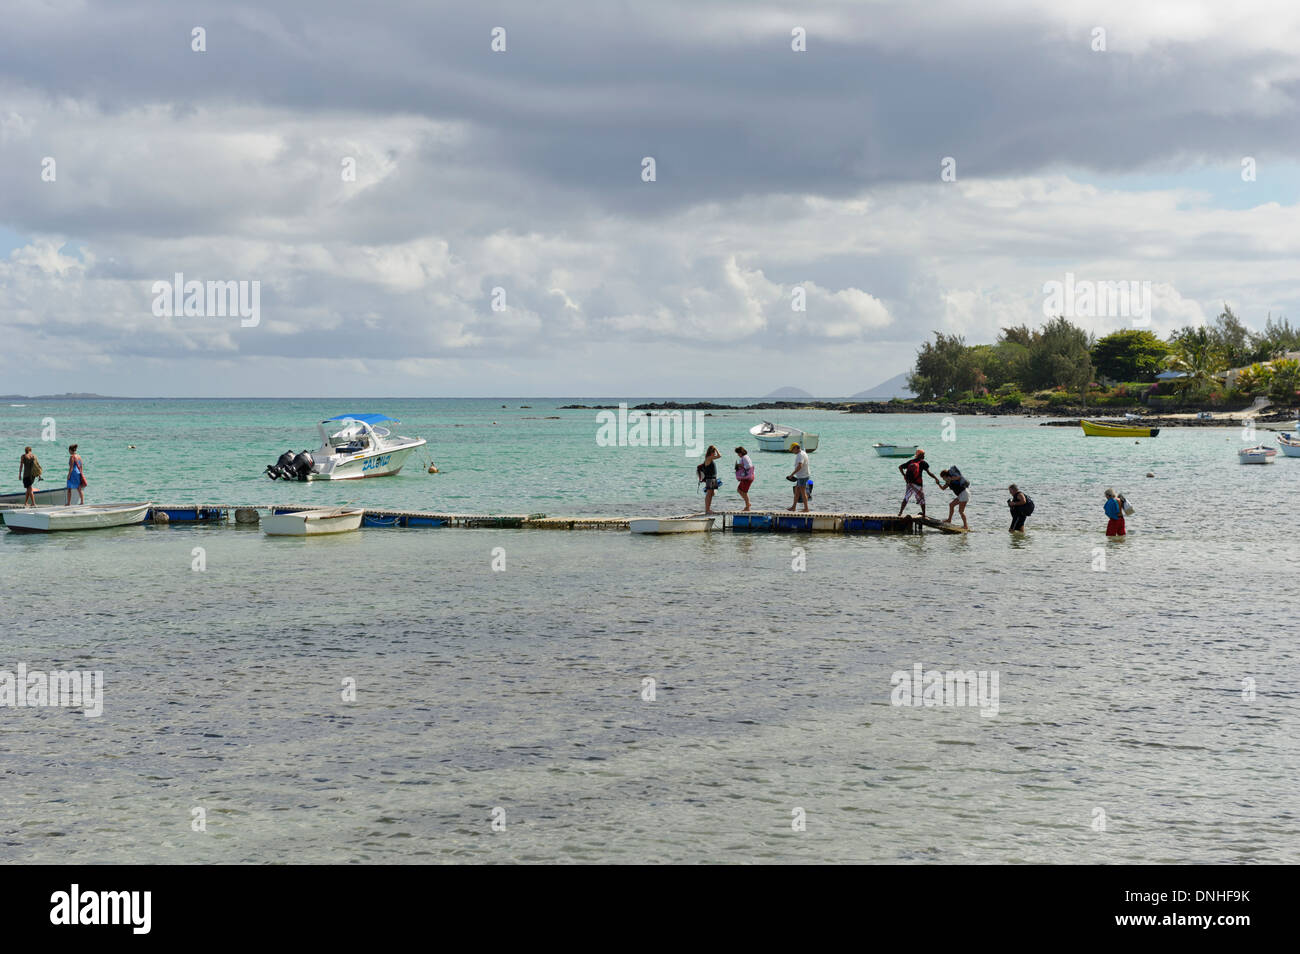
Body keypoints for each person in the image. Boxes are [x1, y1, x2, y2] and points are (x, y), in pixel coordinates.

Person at [897, 448, 942, 518]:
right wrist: (935, 478)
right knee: (921, 499)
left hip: (909, 483)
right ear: (920, 455)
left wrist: (904, 475)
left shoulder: (911, 461)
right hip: (917, 483)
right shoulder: (923, 462)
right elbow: (929, 473)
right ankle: (924, 514)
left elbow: (900, 467)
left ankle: (900, 512)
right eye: (923, 455)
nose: (924, 456)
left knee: (906, 498)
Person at [696, 445, 722, 514]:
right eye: (714, 452)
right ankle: (707, 509)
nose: (715, 453)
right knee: (709, 494)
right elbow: (720, 456)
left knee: (711, 493)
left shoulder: (710, 458)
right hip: (710, 478)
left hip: (713, 477)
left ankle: (708, 509)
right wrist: (716, 448)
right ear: (712, 452)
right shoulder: (709, 458)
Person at [786, 442, 811, 512]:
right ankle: (793, 507)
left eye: (792, 450)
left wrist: (792, 474)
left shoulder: (800, 455)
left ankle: (806, 508)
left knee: (803, 492)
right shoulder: (802, 453)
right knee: (797, 492)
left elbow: (800, 466)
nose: (792, 451)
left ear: (796, 448)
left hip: (803, 476)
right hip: (802, 476)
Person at [733, 446, 755, 512]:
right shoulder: (745, 457)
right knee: (739, 490)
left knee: (743, 492)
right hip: (747, 477)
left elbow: (749, 466)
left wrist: (741, 466)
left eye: (738, 453)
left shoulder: (745, 457)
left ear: (741, 452)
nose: (738, 455)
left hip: (747, 478)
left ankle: (747, 507)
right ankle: (748, 504)